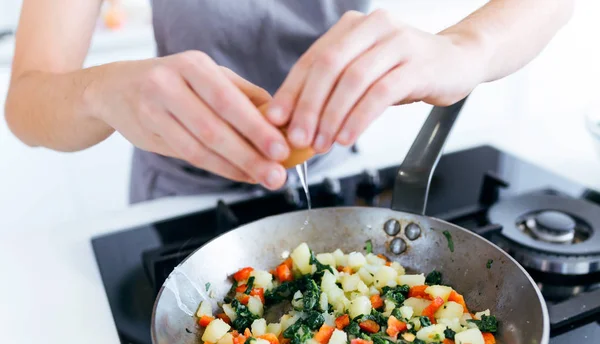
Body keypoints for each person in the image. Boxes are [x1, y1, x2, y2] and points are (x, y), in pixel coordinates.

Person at [5, 0, 573, 203]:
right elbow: (27, 98)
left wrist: (467, 47)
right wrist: (99, 92)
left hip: (335, 173)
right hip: (174, 195)